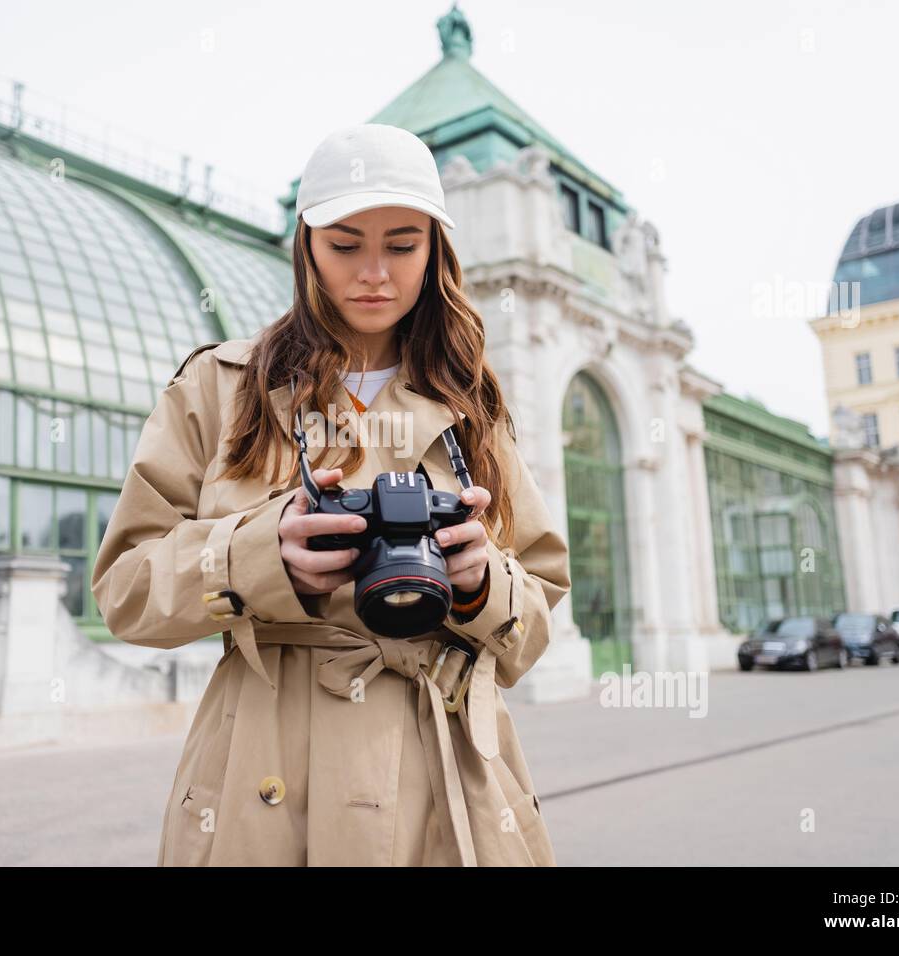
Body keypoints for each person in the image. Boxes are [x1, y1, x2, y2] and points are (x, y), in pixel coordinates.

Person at [91, 123, 572, 866]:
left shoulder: (474, 408)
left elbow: (534, 615)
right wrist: (255, 556)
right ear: (306, 245)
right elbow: (124, 591)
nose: (373, 272)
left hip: (448, 781)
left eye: (402, 245)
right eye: (346, 245)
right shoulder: (219, 389)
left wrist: (480, 584)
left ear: (435, 250)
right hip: (261, 780)